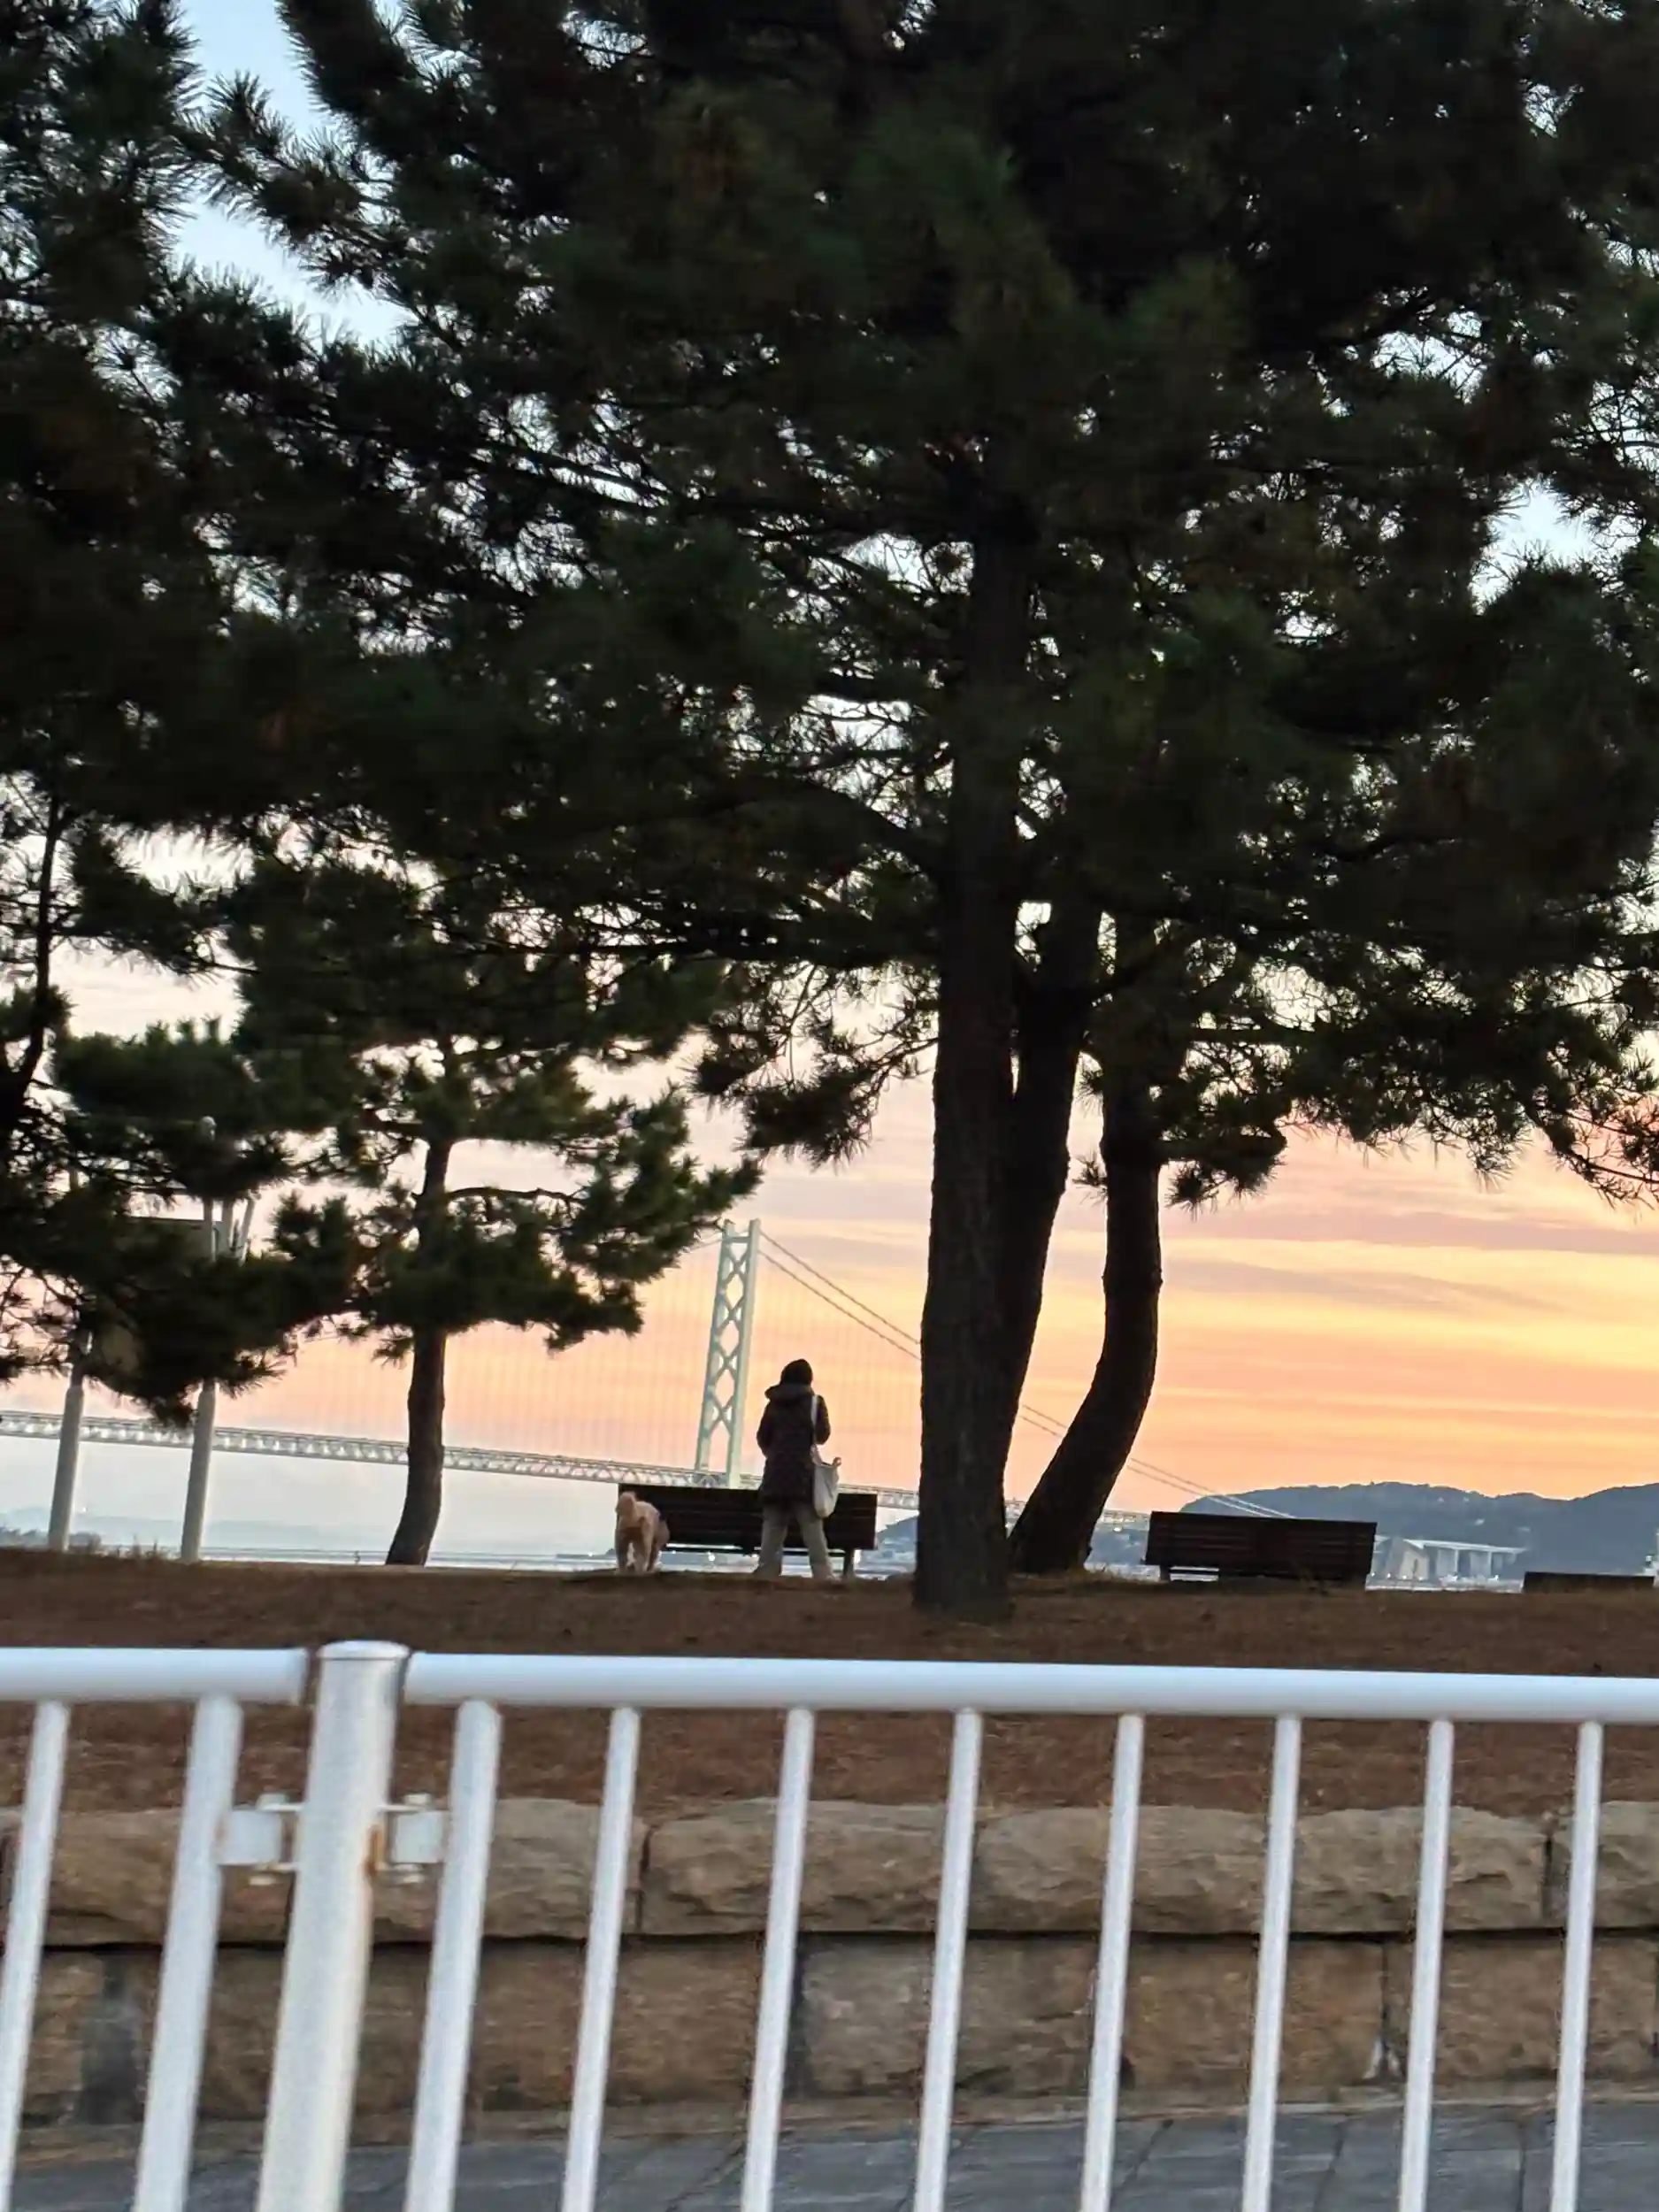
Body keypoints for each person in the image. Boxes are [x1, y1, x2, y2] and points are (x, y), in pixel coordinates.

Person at [755, 1356, 834, 1582]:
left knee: (773, 1525)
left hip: (775, 1473)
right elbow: (822, 1435)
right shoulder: (815, 1403)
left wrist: (775, 1454)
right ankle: (822, 1573)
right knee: (811, 1526)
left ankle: (767, 1570)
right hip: (804, 1475)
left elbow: (762, 1437)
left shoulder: (773, 1404)